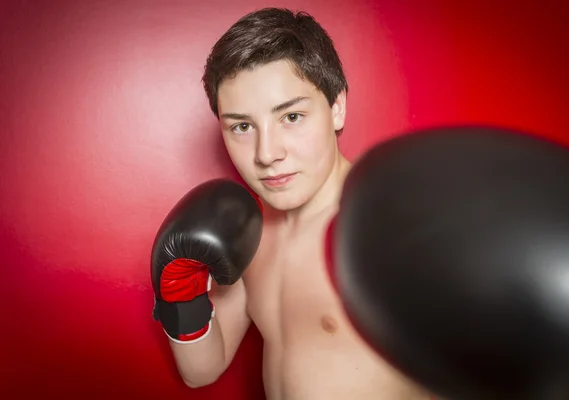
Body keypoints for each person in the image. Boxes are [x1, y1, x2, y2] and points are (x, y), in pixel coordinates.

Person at [158, 7, 433, 399]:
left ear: (336, 107)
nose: (266, 153)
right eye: (242, 126)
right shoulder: (248, 229)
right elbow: (201, 370)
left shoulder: (395, 227)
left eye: (291, 116)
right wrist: (181, 294)